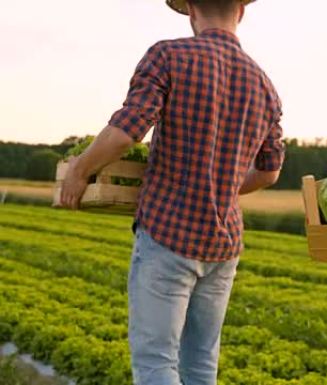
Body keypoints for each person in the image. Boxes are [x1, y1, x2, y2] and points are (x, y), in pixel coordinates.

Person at [59, 0, 285, 384]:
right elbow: (270, 172)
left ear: (192, 10)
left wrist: (80, 170)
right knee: (200, 364)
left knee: (156, 363)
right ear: (240, 13)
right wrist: (223, 187)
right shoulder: (264, 85)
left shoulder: (169, 55)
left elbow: (129, 128)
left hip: (168, 234)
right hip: (223, 247)